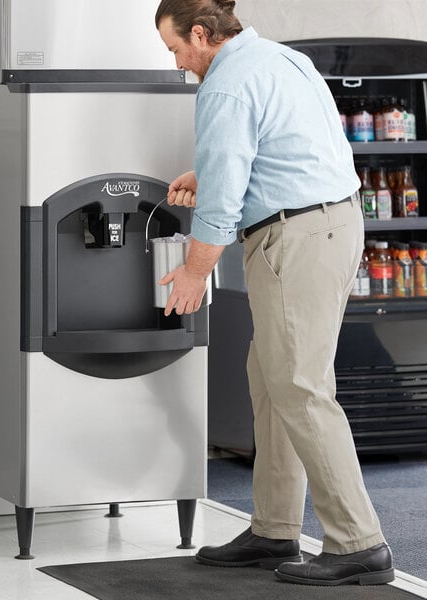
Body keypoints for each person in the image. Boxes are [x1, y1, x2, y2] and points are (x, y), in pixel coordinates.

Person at [154, 0, 394, 587]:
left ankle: (360, 544)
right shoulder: (281, 58)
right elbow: (282, 148)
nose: (179, 64)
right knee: (272, 377)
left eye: (177, 49)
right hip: (330, 221)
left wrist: (192, 272)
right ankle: (274, 528)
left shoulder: (226, 85)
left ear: (203, 35)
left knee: (300, 387)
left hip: (296, 236)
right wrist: (208, 172)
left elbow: (220, 205)